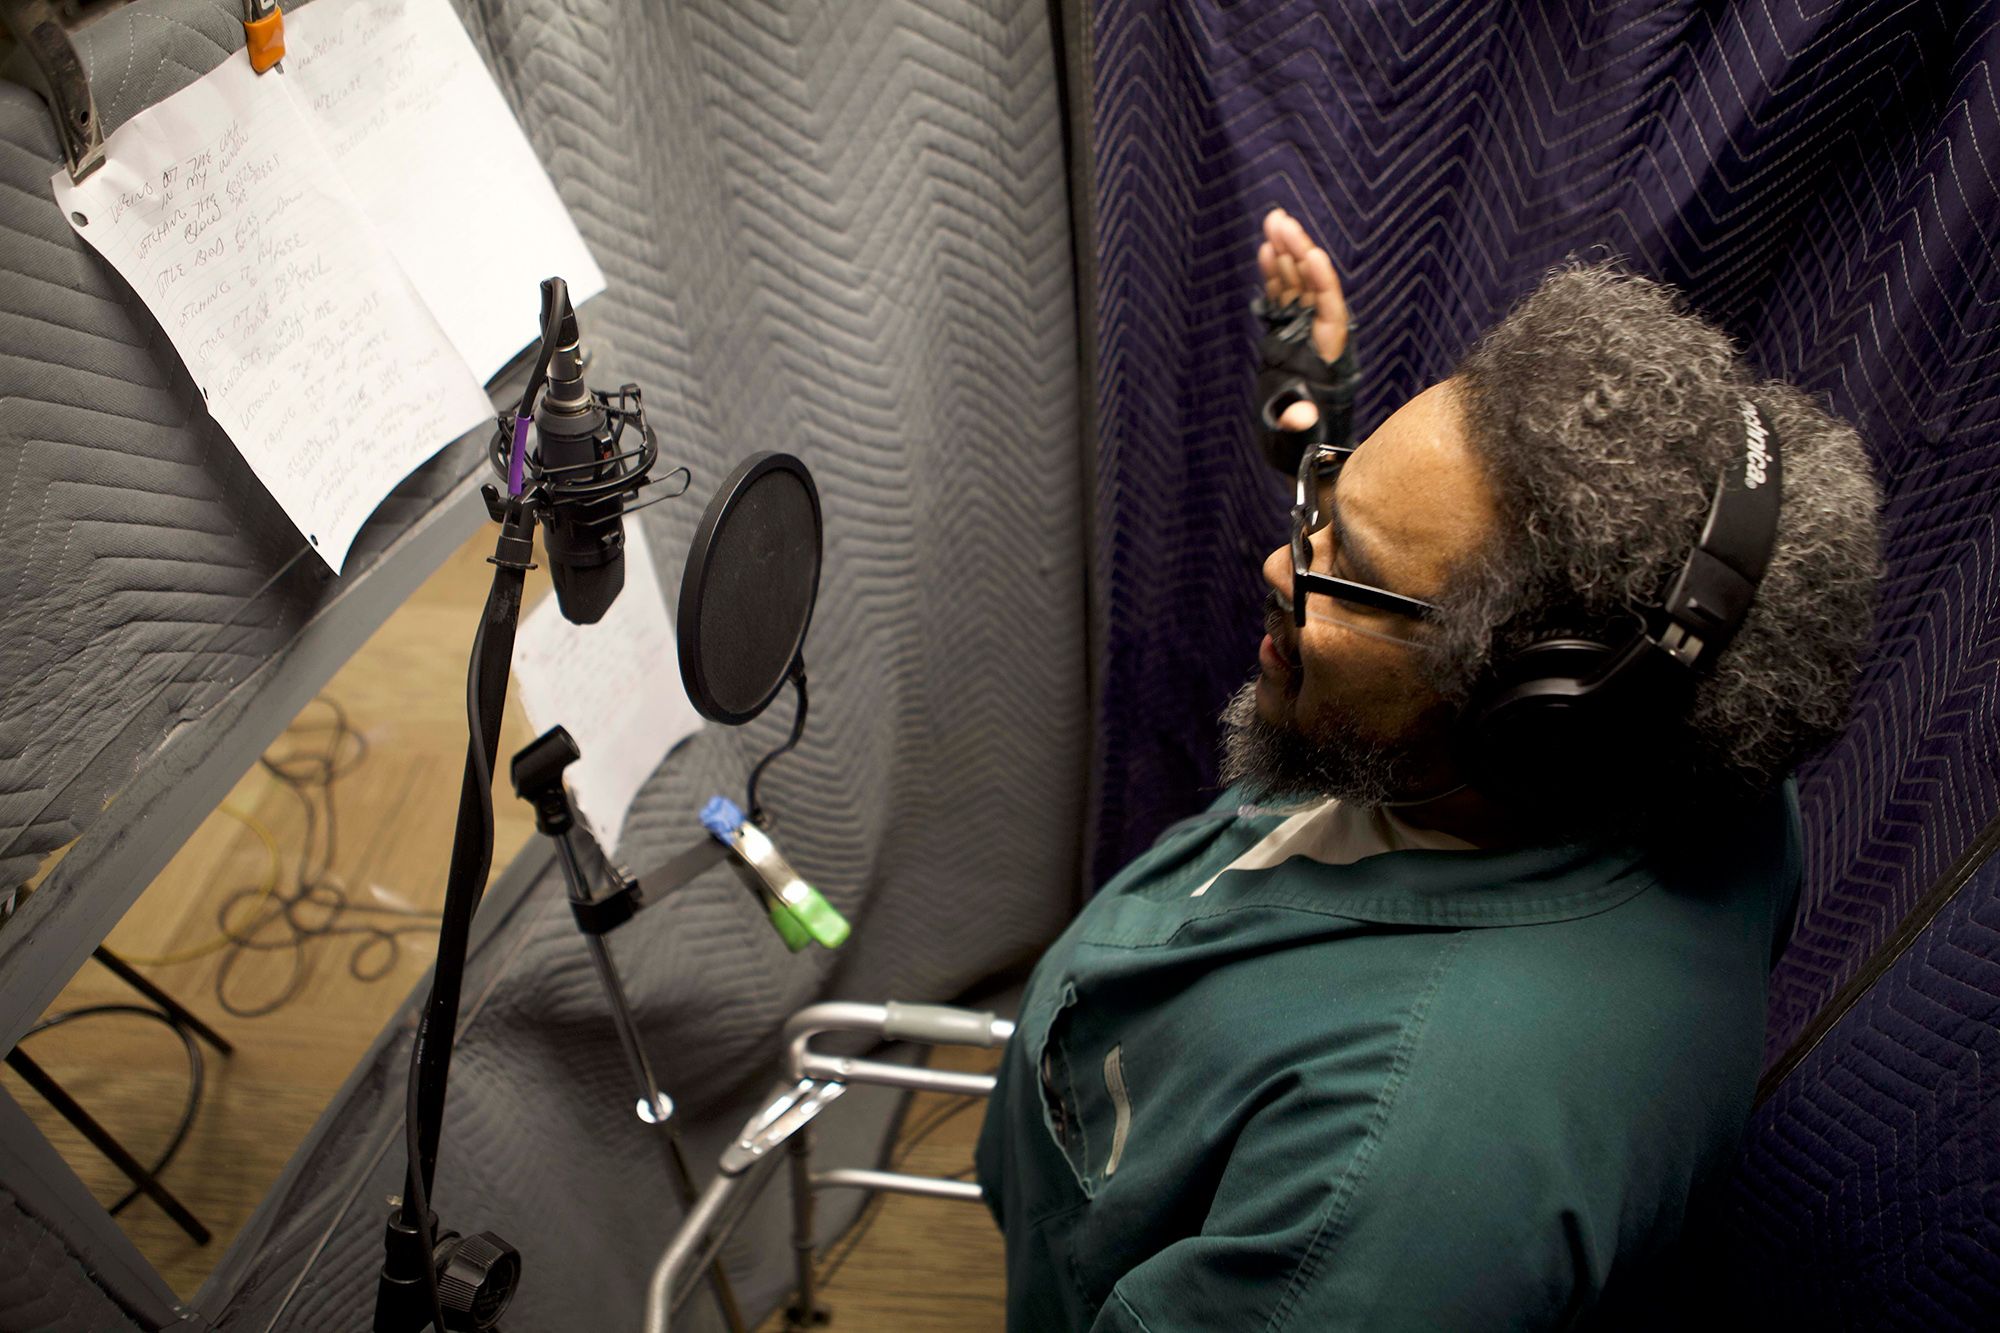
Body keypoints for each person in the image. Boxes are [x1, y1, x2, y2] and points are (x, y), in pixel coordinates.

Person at [973, 209, 1882, 1329]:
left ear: (1528, 714)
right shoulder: (1670, 735)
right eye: (1328, 507)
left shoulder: (1392, 1187)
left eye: (1344, 562)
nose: (1277, 561)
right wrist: (1325, 427)